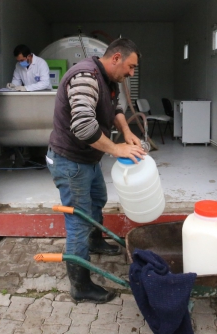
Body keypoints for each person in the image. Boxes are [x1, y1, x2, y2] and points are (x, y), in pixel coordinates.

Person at [47, 38, 147, 303]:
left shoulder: (108, 79)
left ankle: (95, 241)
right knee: (78, 223)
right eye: (131, 67)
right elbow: (82, 126)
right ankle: (80, 286)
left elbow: (114, 107)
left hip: (88, 159)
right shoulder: (85, 77)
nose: (131, 73)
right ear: (116, 58)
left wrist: (126, 132)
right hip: (70, 161)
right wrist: (117, 149)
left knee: (97, 201)